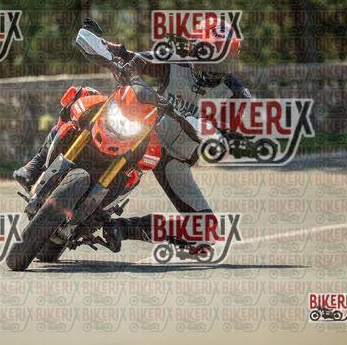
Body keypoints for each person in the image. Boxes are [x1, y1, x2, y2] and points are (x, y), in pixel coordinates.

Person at [13, 18, 251, 253]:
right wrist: (107, 49)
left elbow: (227, 135)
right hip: (144, 134)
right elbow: (134, 58)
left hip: (175, 160)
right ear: (193, 48)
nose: (214, 63)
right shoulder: (174, 62)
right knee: (85, 96)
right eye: (208, 53)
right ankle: (35, 164)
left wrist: (210, 130)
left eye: (223, 58)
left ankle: (122, 228)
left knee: (205, 231)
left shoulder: (236, 94)